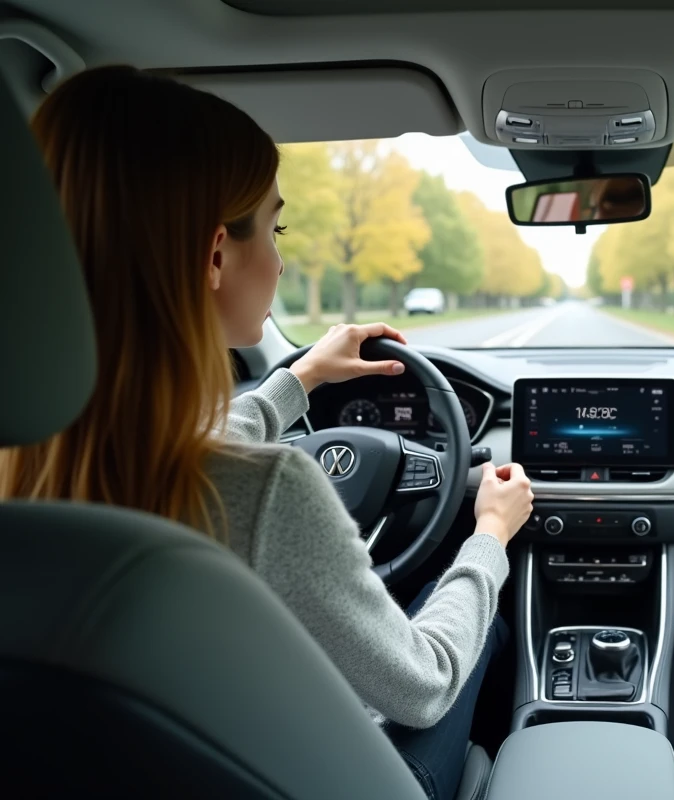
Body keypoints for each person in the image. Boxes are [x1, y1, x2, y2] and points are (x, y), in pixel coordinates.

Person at [0, 65, 533, 800]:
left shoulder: (38, 476)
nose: (280, 262)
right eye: (275, 229)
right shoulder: (267, 494)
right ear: (215, 254)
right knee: (481, 625)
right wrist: (491, 538)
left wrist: (299, 379)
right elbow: (424, 683)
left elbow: (189, 449)